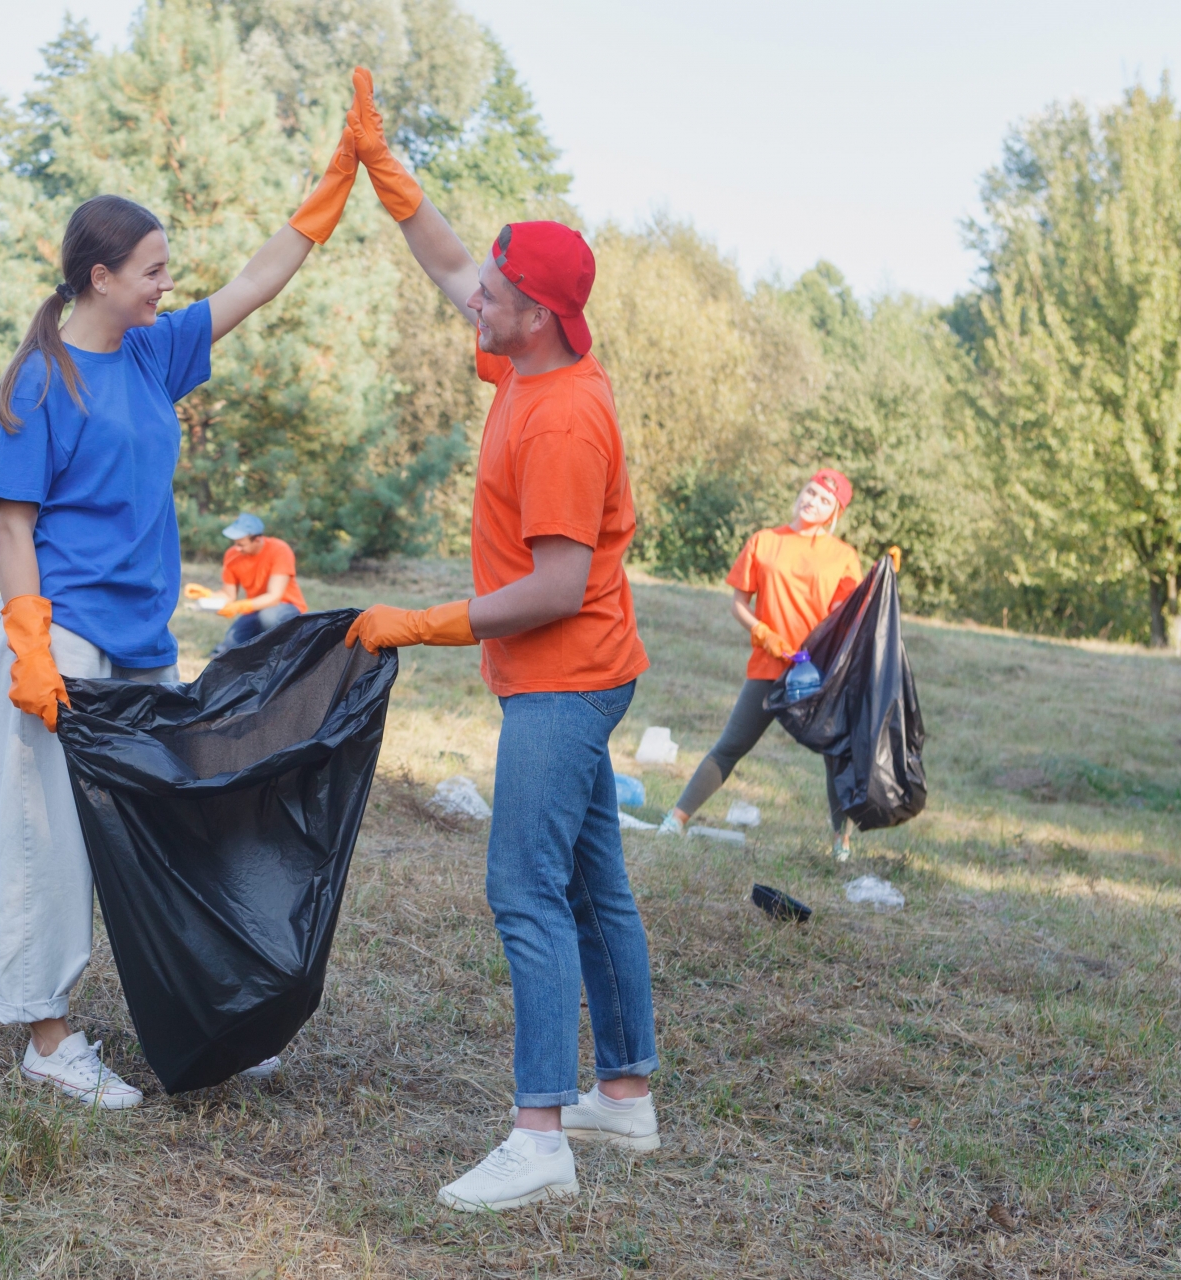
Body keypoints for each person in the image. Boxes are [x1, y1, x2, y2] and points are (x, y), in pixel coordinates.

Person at [0, 111, 364, 1108]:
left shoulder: (154, 354)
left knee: (177, 827)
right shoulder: (42, 377)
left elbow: (256, 279)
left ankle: (203, 1006)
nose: (167, 283)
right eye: (152, 268)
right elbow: (14, 524)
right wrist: (27, 634)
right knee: (52, 836)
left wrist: (333, 187)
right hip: (55, 635)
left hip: (145, 638)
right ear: (100, 277)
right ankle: (49, 1034)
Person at [338, 68, 659, 1212]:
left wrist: (422, 623)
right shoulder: (525, 356)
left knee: (524, 887)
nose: (478, 294)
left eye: (499, 290)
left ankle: (540, 1135)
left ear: (540, 313)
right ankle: (621, 1092)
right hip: (577, 675)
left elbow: (560, 585)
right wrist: (389, 178)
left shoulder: (566, 416)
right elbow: (448, 264)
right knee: (592, 882)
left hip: (564, 680)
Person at [658, 470, 872, 859]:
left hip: (816, 675)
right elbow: (738, 603)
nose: (813, 501)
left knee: (837, 756)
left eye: (825, 500)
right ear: (801, 492)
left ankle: (841, 847)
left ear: (834, 512)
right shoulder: (765, 541)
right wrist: (764, 633)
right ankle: (675, 820)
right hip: (770, 666)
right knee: (731, 745)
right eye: (811, 492)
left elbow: (847, 618)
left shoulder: (843, 557)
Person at [211, 512, 307, 654]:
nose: (236, 548)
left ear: (257, 539)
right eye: (235, 543)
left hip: (286, 607)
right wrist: (207, 597)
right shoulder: (232, 554)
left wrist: (239, 606)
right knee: (230, 644)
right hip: (256, 609)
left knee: (268, 617)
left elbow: (274, 597)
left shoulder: (279, 550)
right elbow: (228, 595)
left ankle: (287, 650)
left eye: (241, 544)